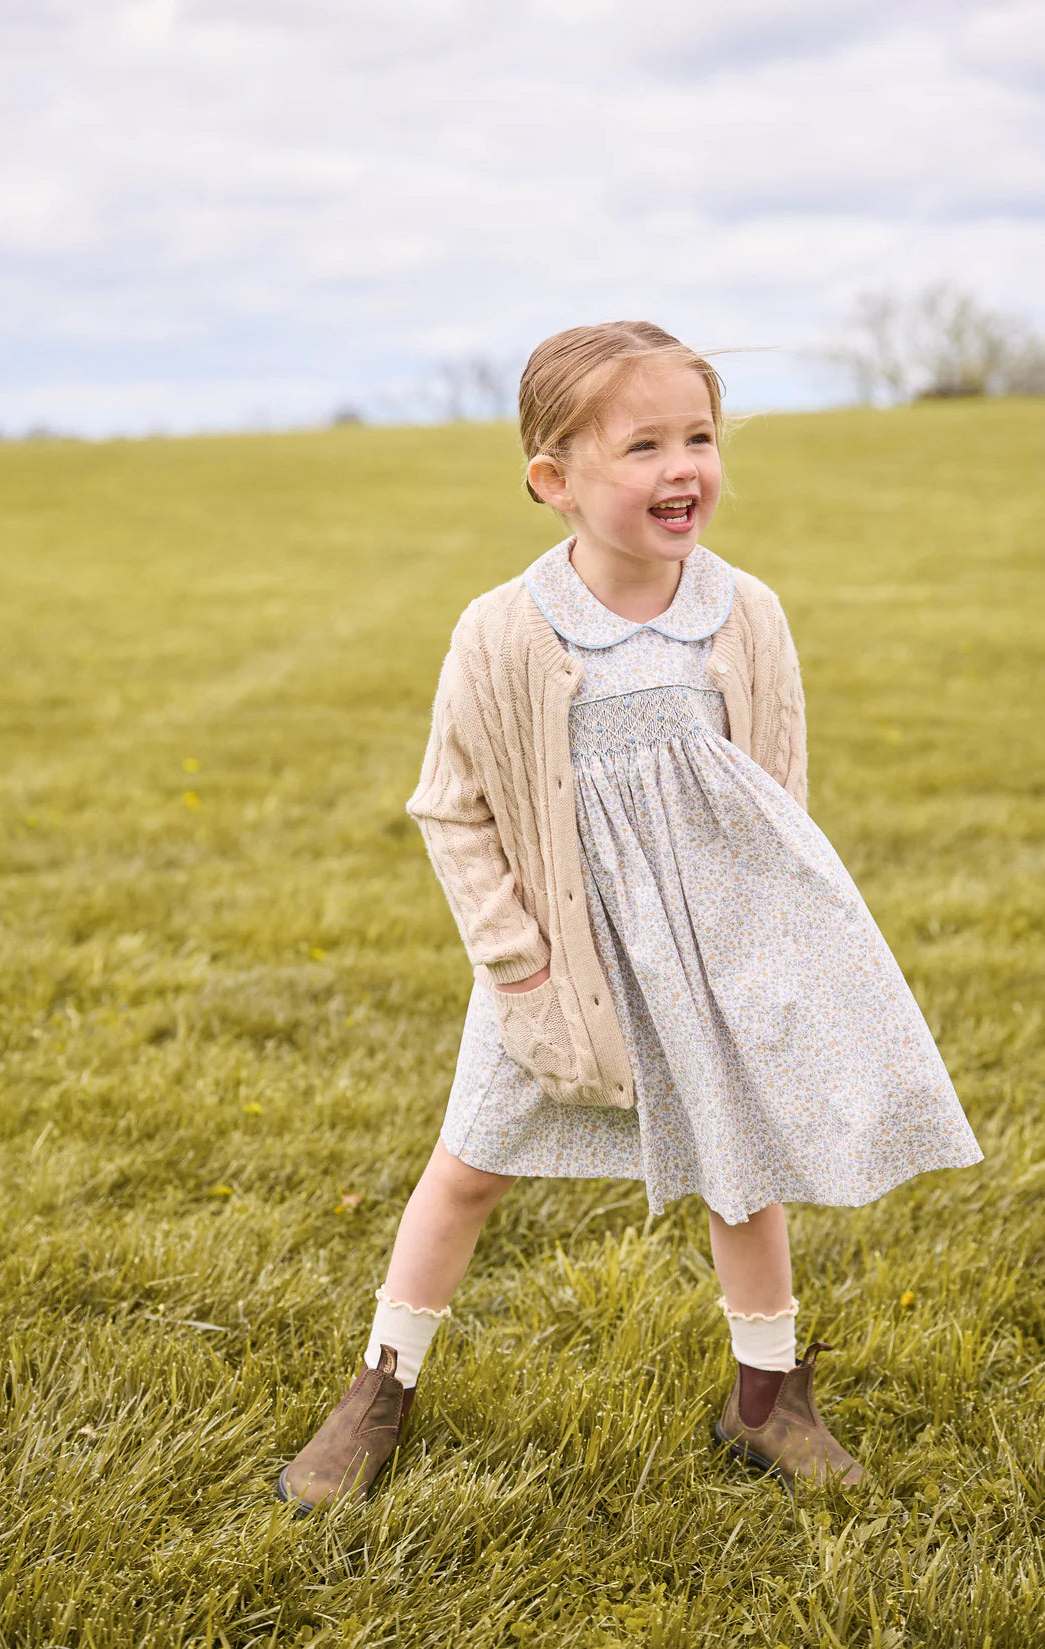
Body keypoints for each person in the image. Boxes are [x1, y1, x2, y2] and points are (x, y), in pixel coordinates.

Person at [277, 320, 984, 1511]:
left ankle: (765, 1397)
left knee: (738, 1162)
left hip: (709, 948)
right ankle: (381, 1382)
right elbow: (451, 811)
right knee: (466, 1167)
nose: (681, 468)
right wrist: (519, 971)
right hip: (561, 955)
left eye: (697, 437)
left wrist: (766, 942)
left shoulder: (742, 612)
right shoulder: (505, 632)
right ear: (553, 481)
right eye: (641, 444)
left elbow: (771, 788)